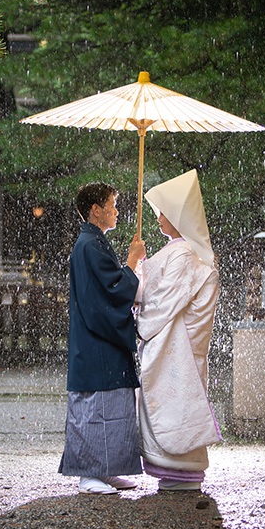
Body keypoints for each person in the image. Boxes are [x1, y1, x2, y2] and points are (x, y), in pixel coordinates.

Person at [135, 170, 222, 492]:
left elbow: (161, 301)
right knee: (182, 401)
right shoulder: (187, 251)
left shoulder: (184, 253)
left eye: (164, 212)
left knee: (178, 403)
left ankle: (179, 470)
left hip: (176, 343)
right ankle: (179, 469)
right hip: (181, 342)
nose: (158, 218)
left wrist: (137, 279)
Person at [59, 182, 146, 495]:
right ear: (96, 210)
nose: (117, 210)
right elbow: (112, 291)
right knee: (94, 408)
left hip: (99, 338)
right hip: (95, 339)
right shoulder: (90, 245)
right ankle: (88, 474)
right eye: (112, 204)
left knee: (112, 405)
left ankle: (106, 469)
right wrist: (133, 261)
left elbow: (111, 289)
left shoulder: (92, 243)